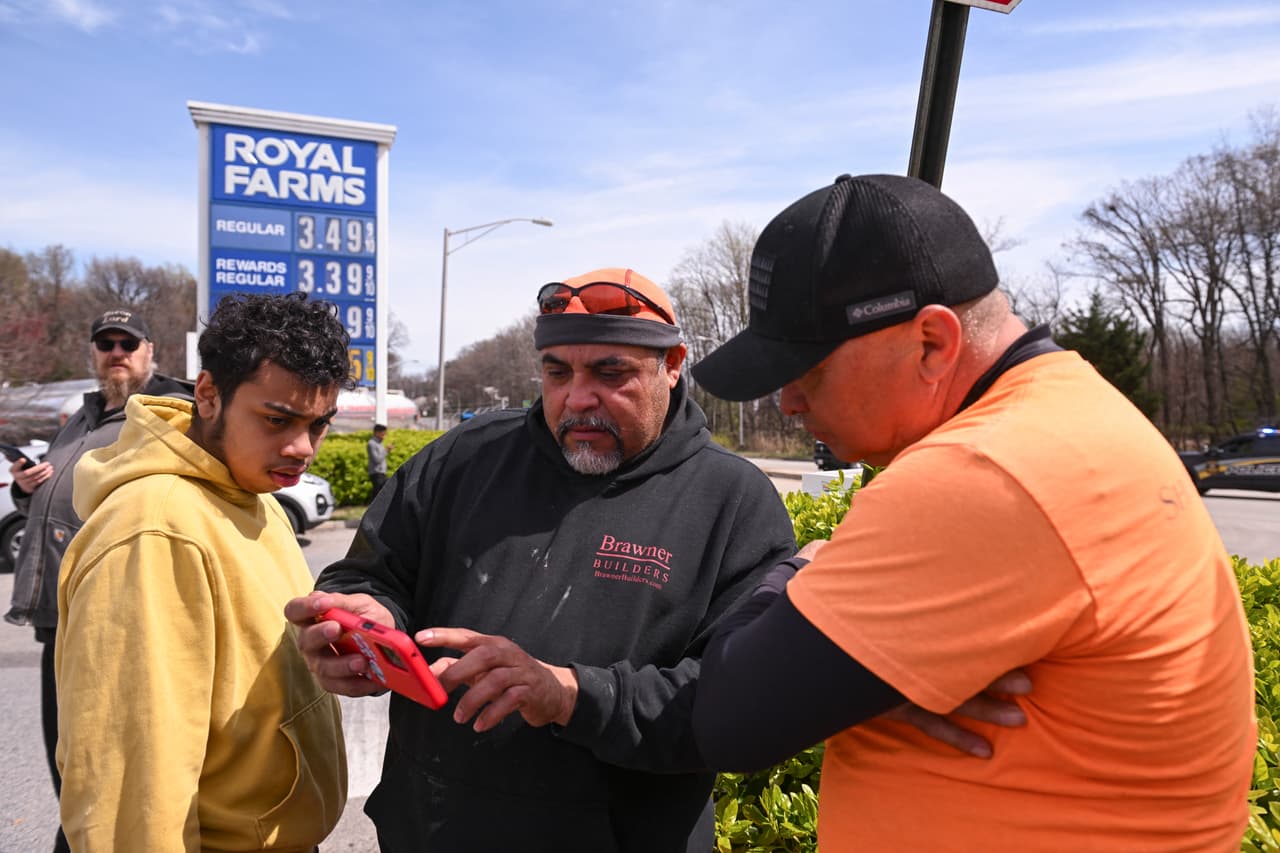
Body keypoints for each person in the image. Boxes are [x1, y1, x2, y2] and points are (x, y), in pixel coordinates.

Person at [686, 173, 1257, 851]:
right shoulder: (1064, 414)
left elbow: (726, 717)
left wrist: (801, 569)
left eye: (808, 371)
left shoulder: (983, 470)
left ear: (932, 342)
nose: (787, 402)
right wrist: (871, 680)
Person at [285, 267, 798, 852]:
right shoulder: (463, 458)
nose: (577, 398)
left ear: (673, 364)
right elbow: (373, 572)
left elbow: (734, 704)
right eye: (557, 373)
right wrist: (366, 616)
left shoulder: (733, 501)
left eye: (611, 373)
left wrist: (569, 695)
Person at [54, 293, 350, 852]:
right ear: (209, 395)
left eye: (319, 425)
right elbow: (131, 789)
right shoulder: (154, 529)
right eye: (278, 419)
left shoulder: (250, 490)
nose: (302, 447)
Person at [4, 308, 192, 853]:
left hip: (110, 618)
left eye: (127, 343)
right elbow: (63, 492)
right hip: (56, 617)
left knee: (103, 769)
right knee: (67, 763)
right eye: (105, 344)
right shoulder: (81, 417)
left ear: (150, 350)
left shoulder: (165, 411)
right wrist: (25, 489)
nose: (116, 353)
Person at [367, 422, 391, 498]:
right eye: (383, 434)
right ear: (377, 433)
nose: (384, 436)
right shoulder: (371, 443)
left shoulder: (380, 443)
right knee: (377, 495)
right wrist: (386, 451)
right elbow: (377, 459)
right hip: (376, 473)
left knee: (380, 494)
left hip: (382, 473)